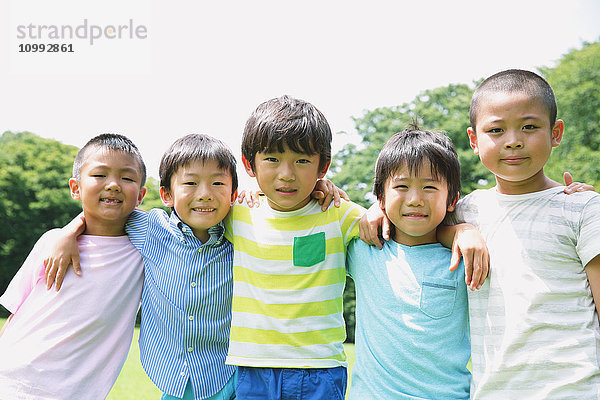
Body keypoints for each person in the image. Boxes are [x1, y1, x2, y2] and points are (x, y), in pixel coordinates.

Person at [361, 70, 600, 399]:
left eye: (529, 127)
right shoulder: (468, 210)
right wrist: (384, 210)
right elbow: (422, 224)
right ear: (474, 140)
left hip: (574, 389)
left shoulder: (583, 208)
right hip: (492, 391)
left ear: (555, 132)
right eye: (496, 130)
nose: (513, 140)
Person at [45, 134, 239, 400]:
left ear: (233, 194)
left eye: (218, 183)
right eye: (191, 183)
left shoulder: (242, 234)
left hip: (230, 376)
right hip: (174, 379)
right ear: (166, 194)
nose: (205, 194)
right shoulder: (150, 229)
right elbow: (106, 209)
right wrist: (69, 231)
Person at [224, 95, 365, 399]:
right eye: (272, 159)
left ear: (323, 166)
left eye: (302, 161)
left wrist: (457, 231)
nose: (286, 174)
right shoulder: (235, 214)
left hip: (320, 369)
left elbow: (393, 224)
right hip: (252, 367)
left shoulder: (338, 213)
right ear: (250, 164)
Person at [0, 134, 147, 400]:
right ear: (75, 187)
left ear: (141, 195)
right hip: (12, 379)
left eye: (127, 178)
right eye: (99, 175)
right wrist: (68, 231)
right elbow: (15, 315)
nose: (113, 185)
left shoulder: (145, 254)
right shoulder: (52, 242)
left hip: (74, 392)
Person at [346, 125, 470, 399]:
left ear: (452, 199)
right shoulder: (364, 248)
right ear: (380, 197)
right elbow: (305, 209)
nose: (415, 200)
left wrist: (465, 230)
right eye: (401, 187)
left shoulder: (465, 258)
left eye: (429, 187)